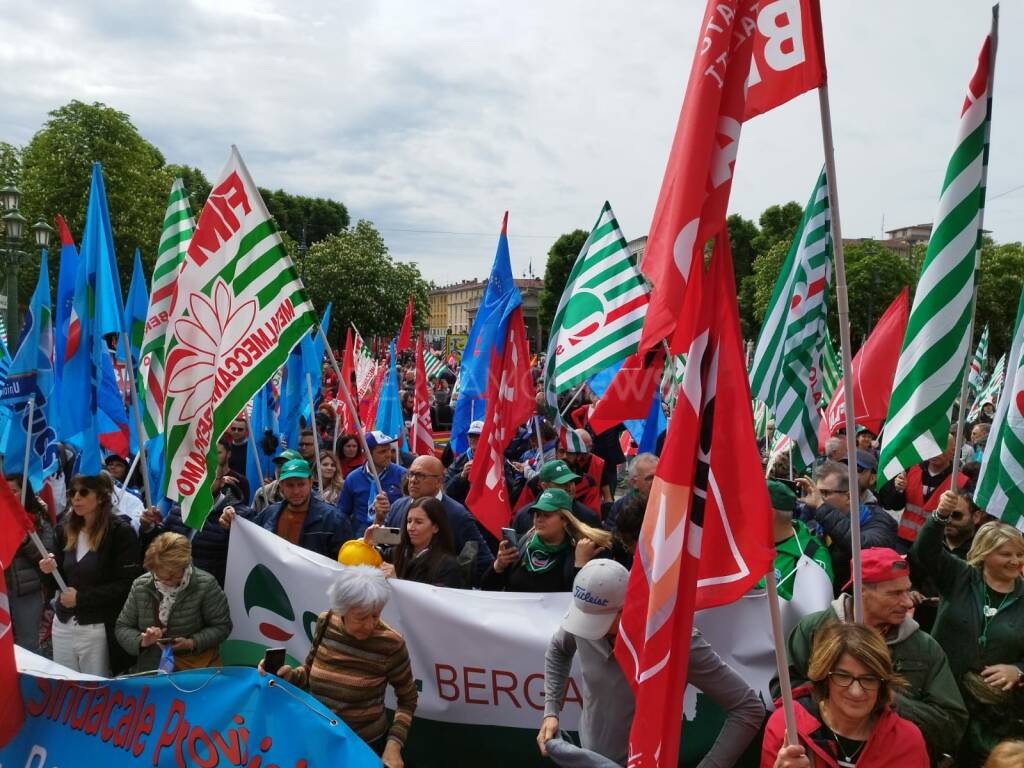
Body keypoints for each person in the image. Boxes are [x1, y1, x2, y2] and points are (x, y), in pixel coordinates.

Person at [540, 560, 764, 767]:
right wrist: (551, 711)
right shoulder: (586, 615)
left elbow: (748, 708)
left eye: (599, 622)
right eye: (586, 620)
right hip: (589, 758)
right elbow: (559, 649)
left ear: (627, 607)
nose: (589, 630)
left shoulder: (675, 641)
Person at [778, 547, 967, 761]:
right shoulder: (814, 630)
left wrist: (889, 699)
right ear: (862, 591)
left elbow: (952, 726)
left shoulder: (924, 647)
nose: (907, 602)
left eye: (907, 590)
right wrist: (833, 700)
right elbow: (782, 692)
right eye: (895, 593)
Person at [260, 565, 417, 767]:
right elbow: (308, 673)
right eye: (361, 617)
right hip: (318, 738)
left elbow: (408, 699)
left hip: (363, 746)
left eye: (376, 615)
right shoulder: (326, 622)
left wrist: (393, 745)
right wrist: (288, 676)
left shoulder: (391, 644)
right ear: (342, 610)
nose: (369, 625)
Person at [911, 491, 1024, 762]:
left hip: (995, 713)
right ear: (984, 554)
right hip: (943, 694)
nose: (1015, 561)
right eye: (1005, 554)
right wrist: (939, 516)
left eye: (1020, 554)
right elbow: (924, 550)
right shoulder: (960, 576)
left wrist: (1019, 670)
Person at [764, 622, 929, 767]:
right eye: (843, 676)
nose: (856, 691)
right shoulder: (788, 726)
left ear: (882, 684)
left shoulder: (906, 741)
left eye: (869, 679)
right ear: (824, 678)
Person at [38, 474, 141, 675]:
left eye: (83, 492)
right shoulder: (64, 529)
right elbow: (56, 581)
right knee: (65, 685)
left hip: (98, 628)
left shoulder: (120, 533)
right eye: (72, 492)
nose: (76, 498)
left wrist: (82, 598)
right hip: (63, 624)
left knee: (97, 690)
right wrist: (48, 569)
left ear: (102, 497)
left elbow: (127, 584)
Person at [115, 532, 232, 672]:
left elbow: (222, 626)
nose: (165, 582)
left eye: (172, 577)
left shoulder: (206, 585)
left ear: (185, 566)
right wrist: (142, 640)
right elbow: (122, 627)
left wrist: (191, 643)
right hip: (153, 669)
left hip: (194, 670)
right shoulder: (140, 585)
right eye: (158, 576)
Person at [382, 455, 494, 581]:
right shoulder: (398, 506)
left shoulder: (457, 515)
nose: (413, 480)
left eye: (420, 475)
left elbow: (483, 562)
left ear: (439, 481)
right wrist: (377, 521)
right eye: (411, 474)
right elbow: (387, 547)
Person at [797, 461, 898, 595]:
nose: (818, 498)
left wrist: (822, 508)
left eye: (825, 493)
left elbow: (863, 546)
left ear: (849, 496)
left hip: (859, 603)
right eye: (817, 491)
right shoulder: (822, 521)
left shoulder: (877, 519)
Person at [221, 458, 351, 560]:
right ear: (280, 485)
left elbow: (342, 565)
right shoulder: (269, 514)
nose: (296, 491)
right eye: (290, 485)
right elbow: (248, 541)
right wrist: (231, 524)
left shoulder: (334, 520)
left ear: (311, 482)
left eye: (301, 484)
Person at [482, 489, 610, 593]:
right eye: (537, 514)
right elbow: (487, 590)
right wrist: (498, 566)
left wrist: (580, 566)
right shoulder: (523, 544)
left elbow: (584, 602)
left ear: (564, 520)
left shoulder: (580, 551)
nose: (539, 519)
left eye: (547, 515)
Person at [877, 429, 968, 547]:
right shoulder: (911, 470)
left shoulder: (961, 482)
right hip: (904, 541)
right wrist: (898, 490)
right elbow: (894, 505)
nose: (935, 452)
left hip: (936, 545)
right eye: (933, 447)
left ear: (953, 452)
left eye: (941, 447)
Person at [4, 476, 55, 652]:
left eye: (14, 491)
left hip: (26, 592)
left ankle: (31, 680)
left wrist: (25, 540)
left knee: (28, 644)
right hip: (3, 591)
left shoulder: (38, 519)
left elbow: (47, 557)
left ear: (25, 493)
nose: (9, 496)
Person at [366, 497, 463, 587]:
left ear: (435, 527)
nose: (410, 528)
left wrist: (397, 582)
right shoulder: (398, 553)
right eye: (409, 521)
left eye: (418, 522)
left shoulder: (448, 566)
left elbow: (436, 603)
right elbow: (367, 560)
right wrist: (366, 545)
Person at [764, 479, 833, 600]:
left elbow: (815, 610)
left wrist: (762, 588)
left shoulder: (812, 554)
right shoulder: (743, 544)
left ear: (769, 514)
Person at [338, 431, 407, 537]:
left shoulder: (402, 475)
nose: (388, 455)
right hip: (361, 536)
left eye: (389, 449)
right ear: (366, 454)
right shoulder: (352, 478)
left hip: (393, 534)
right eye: (382, 451)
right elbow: (342, 513)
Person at [510, 459, 601, 537]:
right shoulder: (524, 517)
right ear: (544, 486)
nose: (569, 487)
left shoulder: (588, 517)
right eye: (561, 484)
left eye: (571, 482)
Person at [603, 453, 658, 532]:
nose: (655, 482)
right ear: (634, 482)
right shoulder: (621, 507)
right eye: (649, 478)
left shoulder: (670, 503)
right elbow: (610, 537)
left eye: (658, 477)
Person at [443, 420, 483, 504]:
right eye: (471, 436)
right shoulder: (459, 460)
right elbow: (446, 490)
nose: (473, 439)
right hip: (464, 507)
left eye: (477, 436)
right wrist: (462, 476)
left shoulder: (495, 459)